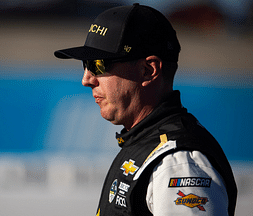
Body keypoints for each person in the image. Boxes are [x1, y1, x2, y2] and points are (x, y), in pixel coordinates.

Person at [54, 3, 237, 216]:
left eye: (99, 64)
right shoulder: (144, 142)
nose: (86, 79)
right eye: (85, 64)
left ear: (147, 70)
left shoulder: (179, 163)